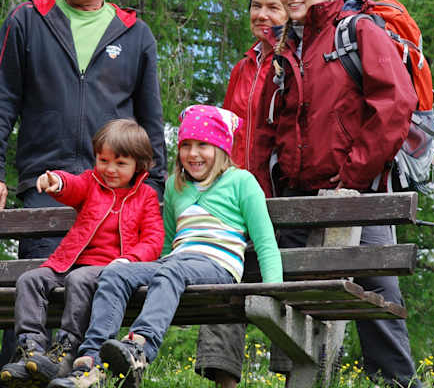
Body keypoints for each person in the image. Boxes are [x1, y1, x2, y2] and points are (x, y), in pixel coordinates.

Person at [0, 0, 167, 372]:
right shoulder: (28, 20)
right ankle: (19, 373)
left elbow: (151, 123)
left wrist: (152, 188)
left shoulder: (134, 34)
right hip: (48, 186)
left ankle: (81, 375)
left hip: (115, 194)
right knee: (39, 288)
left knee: (94, 295)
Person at [253, 0, 422, 387]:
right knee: (295, 295)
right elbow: (272, 128)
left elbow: (395, 103)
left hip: (356, 194)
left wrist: (351, 176)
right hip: (296, 197)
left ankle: (397, 382)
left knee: (378, 291)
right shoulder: (286, 48)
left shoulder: (358, 30)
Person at [50, 105, 283, 388]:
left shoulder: (241, 181)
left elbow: (265, 241)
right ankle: (92, 364)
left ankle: (139, 349)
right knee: (114, 272)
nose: (193, 154)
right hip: (175, 262)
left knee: (171, 270)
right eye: (185, 145)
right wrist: (156, 283)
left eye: (202, 145)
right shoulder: (175, 185)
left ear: (221, 148)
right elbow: (169, 242)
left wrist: (275, 291)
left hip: (218, 266)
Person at [0, 119, 163, 388]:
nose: (110, 169)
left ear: (139, 165)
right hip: (70, 263)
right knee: (30, 280)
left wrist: (130, 261)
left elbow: (154, 239)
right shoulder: (91, 183)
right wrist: (57, 181)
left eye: (120, 163)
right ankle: (32, 351)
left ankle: (67, 348)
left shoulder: (145, 196)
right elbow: (72, 186)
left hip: (110, 271)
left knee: (80, 279)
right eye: (103, 160)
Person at [194, 0, 288, 388]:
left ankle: (294, 375)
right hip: (235, 195)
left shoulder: (295, 62)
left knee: (282, 278)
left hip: (279, 195)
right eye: (256, 6)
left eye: (273, 7)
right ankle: (224, 380)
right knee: (220, 272)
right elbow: (225, 135)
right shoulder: (243, 67)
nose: (262, 15)